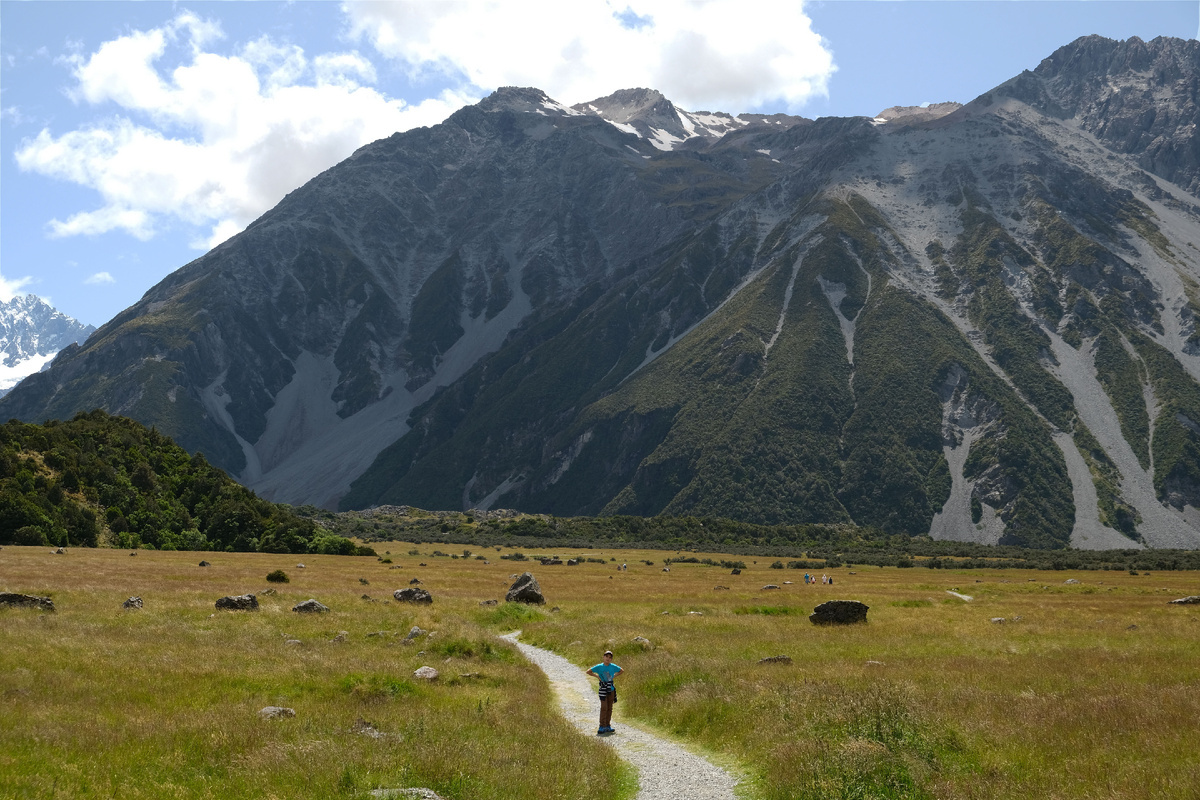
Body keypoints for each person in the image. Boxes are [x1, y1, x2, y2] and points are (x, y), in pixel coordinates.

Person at [586, 650, 623, 734]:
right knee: (604, 708)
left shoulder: (613, 666)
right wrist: (597, 676)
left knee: (610, 708)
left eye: (610, 657)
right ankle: (601, 726)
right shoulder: (599, 666)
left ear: (611, 659)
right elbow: (588, 671)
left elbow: (621, 670)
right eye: (606, 656)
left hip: (611, 689)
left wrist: (614, 676)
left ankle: (607, 725)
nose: (608, 659)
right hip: (603, 689)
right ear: (603, 657)